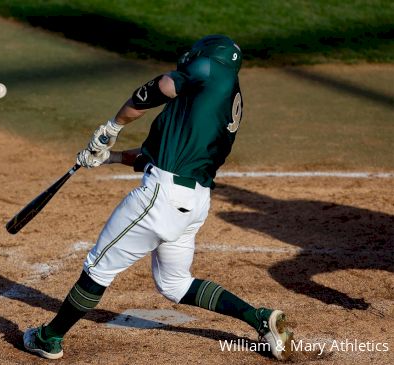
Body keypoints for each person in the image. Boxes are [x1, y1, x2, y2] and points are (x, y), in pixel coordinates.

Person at [22, 35, 293, 361]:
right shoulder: (211, 102)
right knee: (175, 283)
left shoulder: (211, 69)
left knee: (98, 266)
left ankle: (50, 338)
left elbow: (162, 85)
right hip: (193, 203)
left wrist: (113, 125)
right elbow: (151, 156)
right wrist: (107, 157)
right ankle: (259, 318)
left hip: (160, 199)